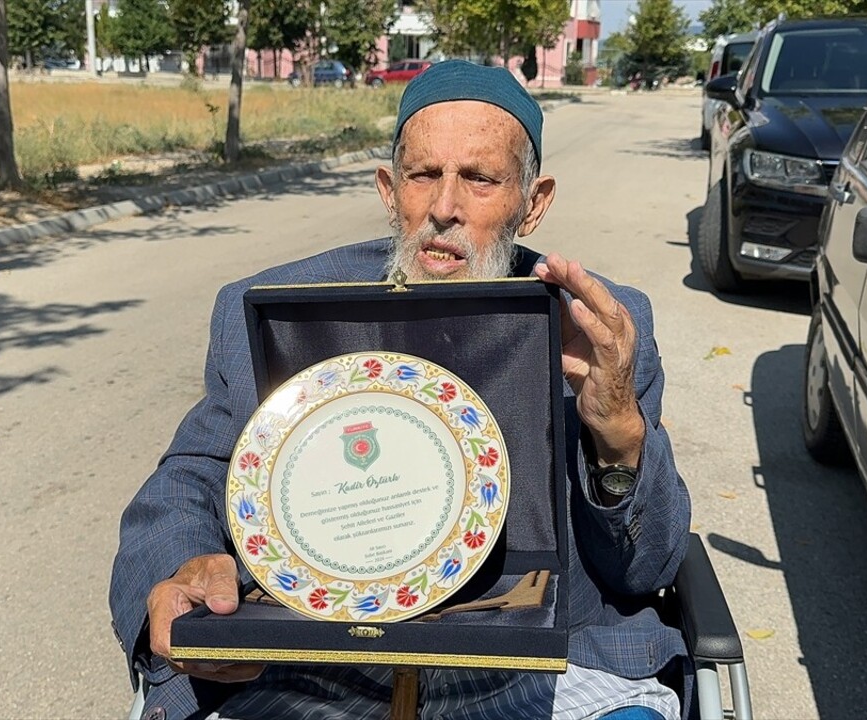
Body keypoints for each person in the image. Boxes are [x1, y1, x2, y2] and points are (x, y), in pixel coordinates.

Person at [110, 60, 692, 720]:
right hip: (317, 667)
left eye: (479, 179)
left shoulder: (598, 330)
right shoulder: (283, 311)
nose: (444, 208)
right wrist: (184, 567)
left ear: (533, 202)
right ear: (390, 189)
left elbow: (644, 570)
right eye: (423, 175)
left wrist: (618, 433)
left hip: (540, 669)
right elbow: (194, 472)